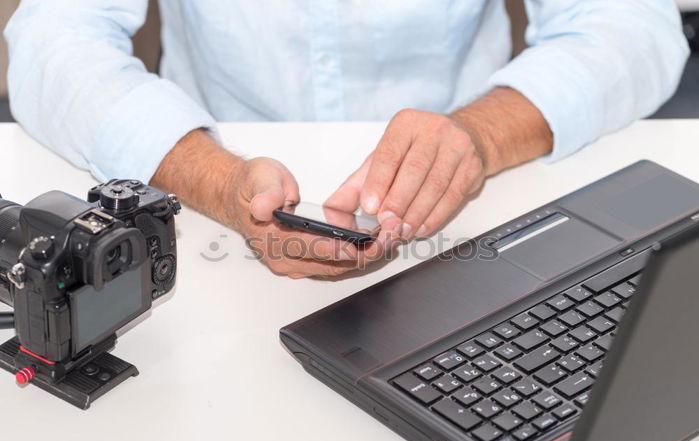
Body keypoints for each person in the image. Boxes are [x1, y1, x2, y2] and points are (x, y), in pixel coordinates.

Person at [5, 1, 688, 278]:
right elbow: (52, 38)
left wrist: (478, 139)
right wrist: (213, 179)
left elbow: (628, 25)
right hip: (198, 198)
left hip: (477, 199)